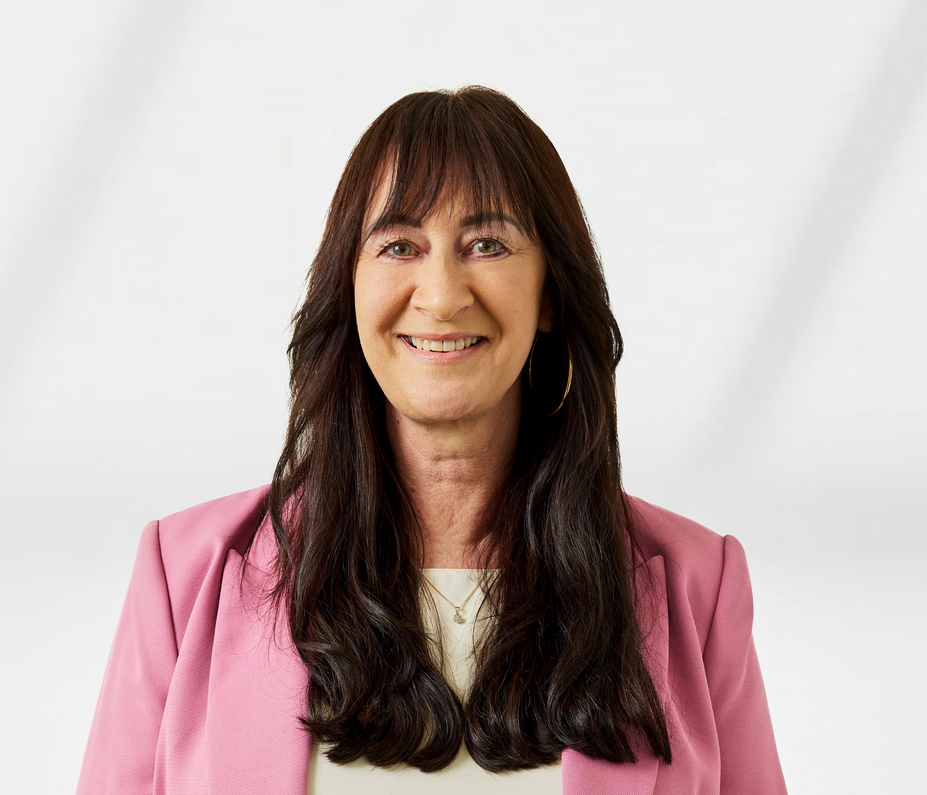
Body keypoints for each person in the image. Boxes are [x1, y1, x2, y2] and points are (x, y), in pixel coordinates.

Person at [76, 85, 787, 794]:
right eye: (399, 245)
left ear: (547, 295)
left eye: (486, 243)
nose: (441, 294)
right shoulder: (186, 577)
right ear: (348, 287)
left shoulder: (698, 587)